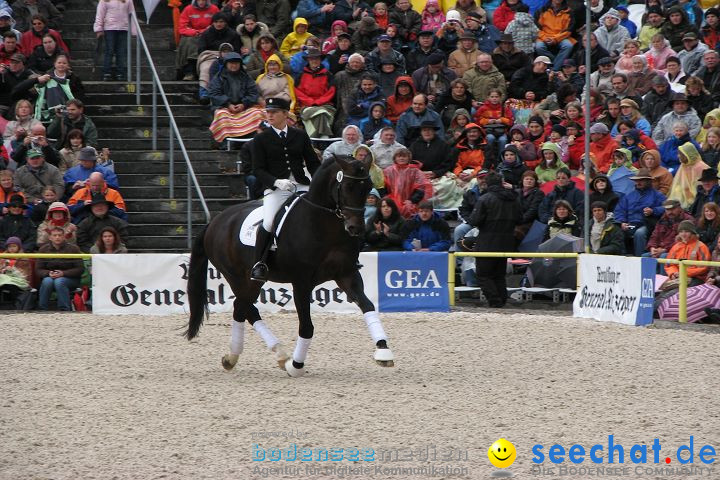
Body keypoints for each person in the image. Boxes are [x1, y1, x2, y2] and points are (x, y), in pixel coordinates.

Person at [250, 97, 320, 281]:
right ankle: (260, 263)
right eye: (268, 112)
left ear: (285, 114)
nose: (270, 115)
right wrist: (276, 182)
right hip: (277, 189)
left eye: (274, 112)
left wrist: (318, 182)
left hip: (301, 184)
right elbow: (257, 169)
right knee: (269, 221)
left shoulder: (300, 135)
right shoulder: (261, 139)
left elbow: (313, 162)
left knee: (325, 210)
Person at [468, 171, 521, 308]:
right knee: (498, 274)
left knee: (483, 274)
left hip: (487, 241)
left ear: (488, 183)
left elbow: (474, 220)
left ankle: (495, 301)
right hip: (507, 241)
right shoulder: (513, 198)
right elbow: (520, 218)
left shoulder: (485, 199)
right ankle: (502, 300)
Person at [207, 52, 263, 143]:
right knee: (221, 115)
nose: (234, 65)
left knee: (257, 113)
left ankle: (252, 138)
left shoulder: (246, 77)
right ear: (226, 64)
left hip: (245, 108)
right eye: (231, 63)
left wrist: (244, 104)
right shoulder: (218, 78)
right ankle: (225, 141)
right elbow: (214, 94)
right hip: (225, 108)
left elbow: (253, 93)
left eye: (236, 63)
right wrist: (228, 104)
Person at [613, 168, 667, 257]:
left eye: (641, 180)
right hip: (630, 224)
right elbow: (620, 210)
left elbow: (666, 208)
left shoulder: (657, 195)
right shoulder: (629, 196)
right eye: (637, 180)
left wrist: (653, 211)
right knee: (616, 231)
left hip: (647, 224)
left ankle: (639, 259)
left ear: (648, 181)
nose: (638, 182)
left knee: (640, 233)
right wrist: (622, 222)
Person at [35, 226, 84, 311]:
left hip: (71, 279)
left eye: (60, 235)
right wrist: (48, 273)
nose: (57, 237)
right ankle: (42, 309)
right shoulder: (43, 249)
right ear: (50, 237)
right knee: (47, 281)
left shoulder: (73, 248)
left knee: (59, 281)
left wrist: (63, 273)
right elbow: (38, 270)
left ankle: (64, 309)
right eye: (54, 235)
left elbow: (80, 269)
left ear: (64, 236)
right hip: (50, 277)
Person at [175, 0, 219, 81]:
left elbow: (218, 23)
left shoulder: (214, 9)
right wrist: (197, 32)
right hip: (193, 35)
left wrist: (204, 32)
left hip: (209, 34)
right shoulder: (188, 9)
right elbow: (182, 28)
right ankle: (189, 72)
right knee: (188, 42)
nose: (201, 2)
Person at [383, 148, 432, 218]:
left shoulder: (415, 171)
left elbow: (420, 190)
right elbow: (384, 187)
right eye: (399, 156)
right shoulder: (388, 171)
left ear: (409, 158)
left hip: (410, 201)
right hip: (392, 199)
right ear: (395, 158)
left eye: (404, 156)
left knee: (409, 209)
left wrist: (411, 200)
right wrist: (387, 199)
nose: (402, 158)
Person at [93, 0, 136, 81]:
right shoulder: (104, 1)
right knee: (109, 50)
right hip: (109, 28)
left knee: (121, 52)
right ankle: (106, 72)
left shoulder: (128, 0)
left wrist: (134, 31)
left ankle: (120, 72)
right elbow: (100, 14)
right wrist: (98, 29)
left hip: (123, 28)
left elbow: (132, 14)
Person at [663, 220, 709, 287]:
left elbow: (704, 267)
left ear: (692, 232)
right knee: (663, 290)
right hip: (678, 277)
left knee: (674, 292)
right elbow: (669, 264)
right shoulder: (676, 247)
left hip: (696, 279)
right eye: (681, 232)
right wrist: (673, 273)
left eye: (686, 231)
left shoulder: (701, 246)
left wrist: (684, 273)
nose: (683, 234)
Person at [533, 0, 574, 72]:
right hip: (544, 36)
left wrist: (555, 39)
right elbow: (536, 28)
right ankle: (557, 63)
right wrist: (544, 37)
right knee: (539, 47)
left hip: (560, 37)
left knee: (568, 45)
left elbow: (568, 31)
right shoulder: (542, 10)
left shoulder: (569, 12)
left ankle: (554, 70)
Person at [667, 142, 709, 209]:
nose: (678, 156)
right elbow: (678, 182)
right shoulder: (683, 166)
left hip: (698, 198)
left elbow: (703, 185)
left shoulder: (700, 166)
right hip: (684, 195)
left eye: (681, 154)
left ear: (687, 155)